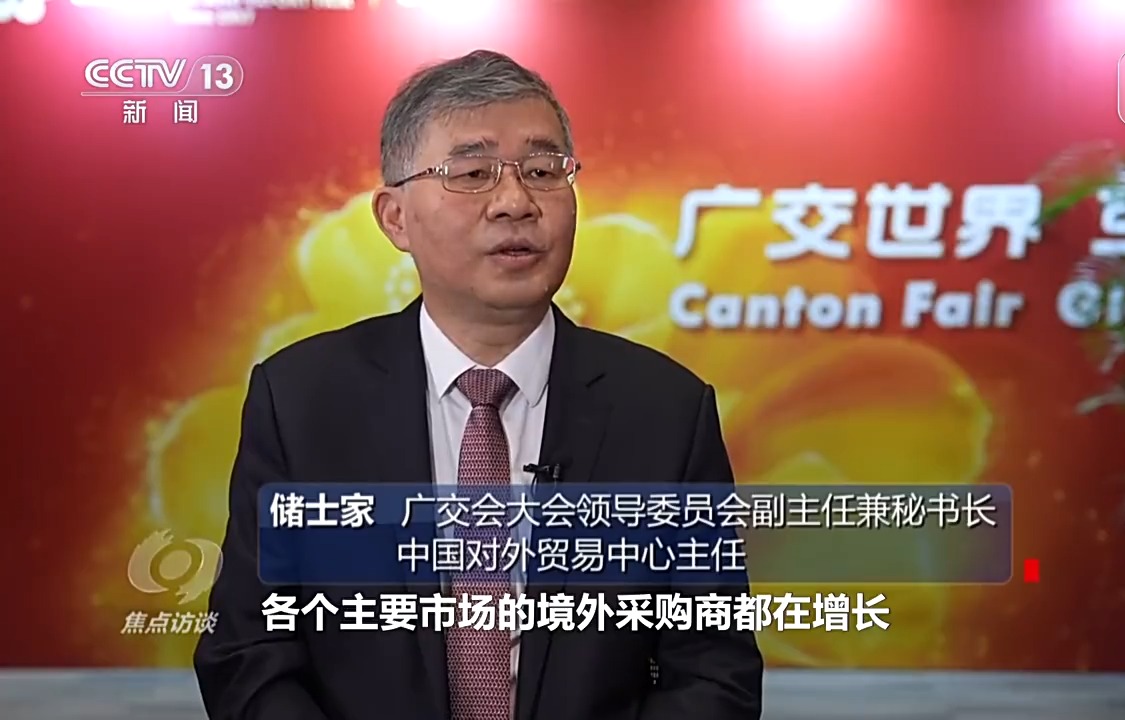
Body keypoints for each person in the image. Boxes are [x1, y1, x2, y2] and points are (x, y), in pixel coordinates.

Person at [193, 50, 763, 720]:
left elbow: (714, 672)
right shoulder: (302, 402)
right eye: (472, 173)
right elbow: (248, 653)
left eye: (543, 171)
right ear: (395, 218)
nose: (516, 202)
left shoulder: (665, 411)